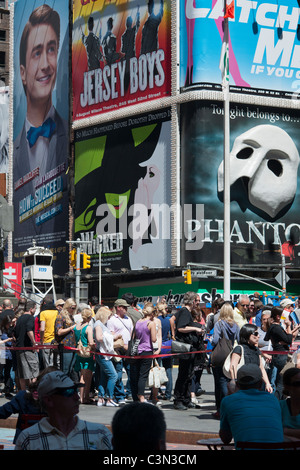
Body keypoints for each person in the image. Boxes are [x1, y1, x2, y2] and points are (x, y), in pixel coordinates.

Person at [13, 4, 68, 247]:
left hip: (64, 272)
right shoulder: (10, 155)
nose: (46, 64)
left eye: (52, 49)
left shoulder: (72, 137)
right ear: (22, 73)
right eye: (37, 52)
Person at [14, 370, 113, 450]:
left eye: (75, 390)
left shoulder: (99, 434)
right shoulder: (28, 439)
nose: (76, 397)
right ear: (48, 400)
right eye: (69, 392)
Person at [219, 364, 284, 448]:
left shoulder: (228, 401)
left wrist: (230, 393)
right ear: (261, 384)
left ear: (237, 385)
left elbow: (226, 438)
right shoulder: (273, 399)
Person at [0, 366, 56, 444]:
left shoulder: (22, 397)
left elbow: (3, 412)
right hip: (48, 443)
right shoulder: (57, 402)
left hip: (24, 442)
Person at [173, 291, 204, 410]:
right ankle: (178, 400)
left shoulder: (185, 312)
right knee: (183, 374)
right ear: (191, 301)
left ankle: (186, 399)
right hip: (185, 347)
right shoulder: (185, 312)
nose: (198, 303)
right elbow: (181, 328)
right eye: (196, 301)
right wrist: (196, 328)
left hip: (190, 348)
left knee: (189, 374)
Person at [211, 302, 240, 419]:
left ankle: (221, 409)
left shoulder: (219, 324)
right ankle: (231, 405)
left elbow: (215, 340)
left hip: (220, 356)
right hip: (230, 355)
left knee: (220, 382)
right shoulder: (236, 325)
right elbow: (239, 339)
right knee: (228, 379)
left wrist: (210, 340)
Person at [264, 306, 300, 399]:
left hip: (278, 355)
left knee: (277, 381)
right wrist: (288, 326)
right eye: (284, 316)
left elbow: (269, 337)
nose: (286, 318)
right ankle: (277, 402)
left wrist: (282, 339)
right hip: (281, 356)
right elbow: (289, 340)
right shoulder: (276, 327)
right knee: (280, 383)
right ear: (278, 317)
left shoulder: (274, 327)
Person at [228, 323, 272, 395]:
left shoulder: (256, 349)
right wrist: (236, 383)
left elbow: (261, 368)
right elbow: (232, 367)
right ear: (247, 334)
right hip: (243, 386)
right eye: (255, 333)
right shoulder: (239, 348)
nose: (258, 336)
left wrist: (267, 383)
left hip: (256, 385)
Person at [106, 299, 133, 404]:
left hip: (128, 349)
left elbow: (132, 332)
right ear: (118, 308)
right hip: (118, 350)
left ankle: (130, 393)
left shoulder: (128, 319)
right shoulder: (112, 320)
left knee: (131, 372)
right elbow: (111, 336)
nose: (126, 309)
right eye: (124, 307)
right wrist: (122, 344)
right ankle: (120, 396)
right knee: (118, 374)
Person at [130, 303, 157, 403]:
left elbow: (134, 336)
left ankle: (136, 395)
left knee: (137, 374)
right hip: (147, 350)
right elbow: (154, 339)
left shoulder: (138, 322)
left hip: (137, 350)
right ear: (152, 313)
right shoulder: (151, 323)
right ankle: (141, 396)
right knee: (143, 375)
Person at [93, 307, 120, 407]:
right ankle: (109, 398)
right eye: (108, 316)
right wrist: (112, 337)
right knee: (113, 375)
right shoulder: (99, 324)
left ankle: (101, 398)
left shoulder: (100, 324)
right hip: (103, 353)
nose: (109, 318)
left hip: (102, 353)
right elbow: (99, 337)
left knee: (104, 376)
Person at [14, 300, 39, 391]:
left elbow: (14, 332)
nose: (35, 310)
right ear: (31, 309)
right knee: (34, 371)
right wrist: (34, 343)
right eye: (35, 308)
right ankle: (32, 392)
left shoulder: (19, 318)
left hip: (19, 348)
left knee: (22, 373)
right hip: (27, 349)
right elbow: (29, 330)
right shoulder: (30, 318)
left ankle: (23, 393)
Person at [73, 308, 95, 404]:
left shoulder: (76, 327)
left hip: (79, 353)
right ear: (90, 316)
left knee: (84, 375)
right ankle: (83, 397)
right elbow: (90, 342)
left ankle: (84, 396)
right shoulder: (88, 328)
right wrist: (94, 346)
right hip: (87, 353)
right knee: (86, 376)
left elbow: (74, 341)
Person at [54, 298, 77, 380]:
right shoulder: (61, 316)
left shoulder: (70, 317)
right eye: (72, 308)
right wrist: (71, 328)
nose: (74, 310)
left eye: (75, 308)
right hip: (65, 346)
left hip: (72, 345)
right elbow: (59, 332)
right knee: (65, 370)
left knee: (71, 370)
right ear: (67, 307)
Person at [157, 302, 173, 401]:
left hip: (158, 347)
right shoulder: (168, 320)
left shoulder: (156, 321)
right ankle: (168, 393)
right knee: (168, 370)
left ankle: (157, 391)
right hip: (167, 346)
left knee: (156, 369)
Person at [280, 367, 300, 440]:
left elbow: (278, 431)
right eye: (298, 384)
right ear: (287, 386)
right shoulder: (280, 406)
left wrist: (285, 431)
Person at [39, 299, 58, 368]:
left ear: (44, 303)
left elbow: (42, 328)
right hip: (56, 340)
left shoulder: (43, 313)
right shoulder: (57, 312)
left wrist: (41, 340)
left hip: (46, 340)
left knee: (47, 363)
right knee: (56, 362)